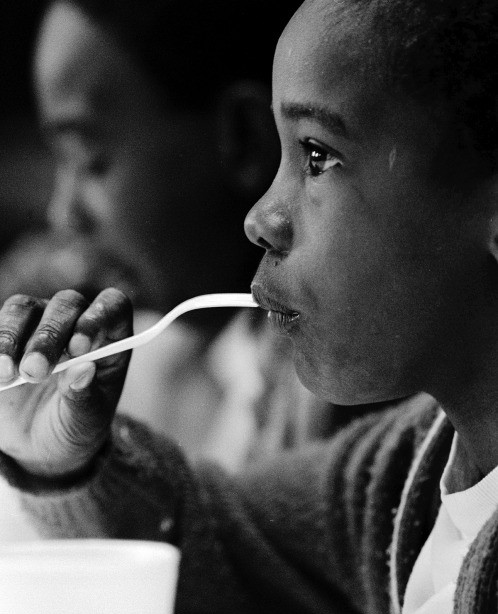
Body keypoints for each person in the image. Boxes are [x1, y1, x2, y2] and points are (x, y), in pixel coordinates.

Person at [0, 0, 496, 614]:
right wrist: (66, 458)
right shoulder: (395, 478)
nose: (260, 217)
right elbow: (216, 539)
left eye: (317, 156)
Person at [0, 0, 331, 468]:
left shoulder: (331, 396)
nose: (63, 214)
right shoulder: (147, 345)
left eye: (90, 159)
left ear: (244, 139)